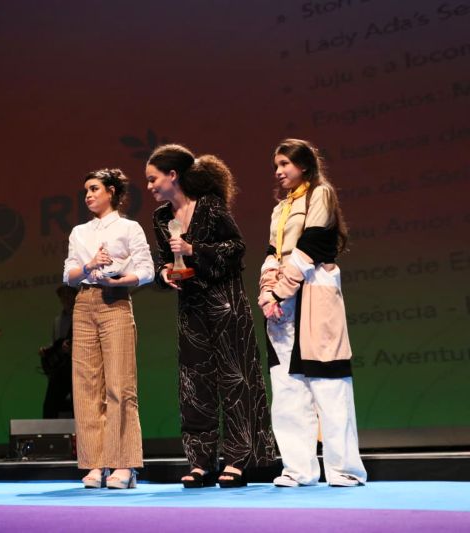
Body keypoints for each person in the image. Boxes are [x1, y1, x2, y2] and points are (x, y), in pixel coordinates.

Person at [146, 144, 275, 488]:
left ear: (173, 175)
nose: (150, 186)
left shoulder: (210, 206)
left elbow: (236, 248)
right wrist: (164, 274)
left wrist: (193, 249)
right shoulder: (161, 217)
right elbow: (161, 259)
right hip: (191, 308)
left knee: (235, 380)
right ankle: (201, 461)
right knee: (194, 384)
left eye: (153, 179)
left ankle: (237, 460)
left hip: (225, 303)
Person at [258, 138, 366, 488]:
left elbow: (311, 246)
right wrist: (266, 291)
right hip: (282, 302)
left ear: (303, 165)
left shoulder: (321, 194)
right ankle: (298, 469)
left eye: (285, 164)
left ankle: (345, 469)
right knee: (287, 388)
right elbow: (272, 254)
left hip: (313, 291)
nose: (278, 171)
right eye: (276, 166)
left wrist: (279, 290)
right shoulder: (280, 208)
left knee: (329, 384)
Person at [62, 168, 154, 489]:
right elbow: (69, 275)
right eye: (86, 190)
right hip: (84, 303)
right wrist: (89, 266)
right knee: (86, 386)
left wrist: (120, 279)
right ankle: (94, 463)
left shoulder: (129, 227)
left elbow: (146, 270)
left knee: (120, 385)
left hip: (115, 301)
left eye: (94, 189)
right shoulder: (79, 232)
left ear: (111, 191)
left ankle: (124, 465)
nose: (88, 195)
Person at [38, 285, 78, 419]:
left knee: (79, 405)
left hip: (78, 368)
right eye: (62, 295)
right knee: (50, 406)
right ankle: (48, 432)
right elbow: (56, 343)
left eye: (68, 294)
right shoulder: (57, 320)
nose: (65, 297)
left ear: (75, 296)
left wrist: (74, 347)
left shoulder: (83, 316)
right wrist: (47, 350)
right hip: (61, 369)